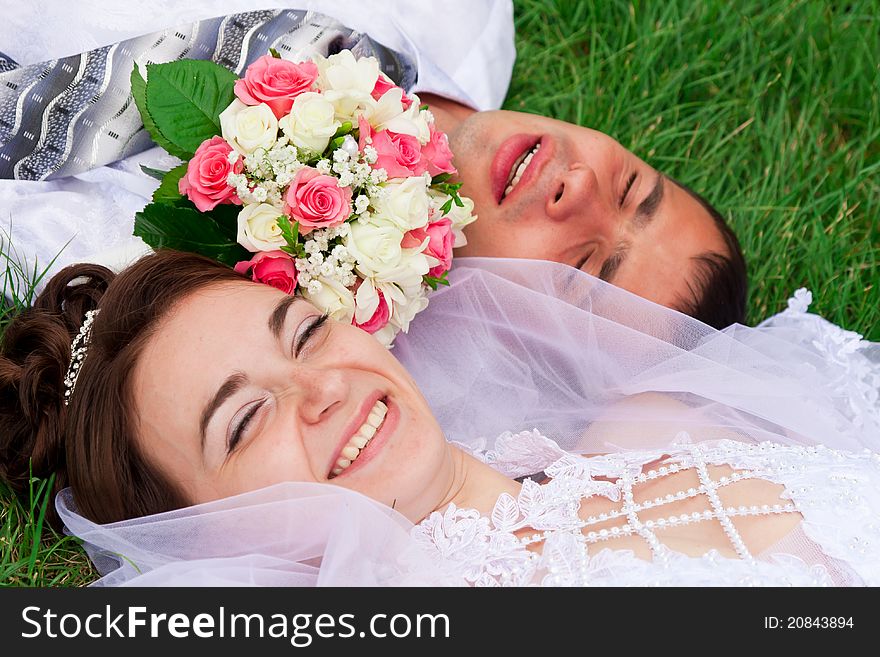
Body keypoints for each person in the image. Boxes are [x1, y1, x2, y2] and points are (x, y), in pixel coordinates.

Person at [1, 249, 876, 586]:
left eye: (304, 332)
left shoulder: (650, 418)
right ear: (205, 531)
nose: (325, 389)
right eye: (243, 420)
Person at [0, 0, 745, 328]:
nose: (577, 186)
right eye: (632, 186)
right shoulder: (468, 18)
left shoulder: (183, 254)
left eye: (583, 267)